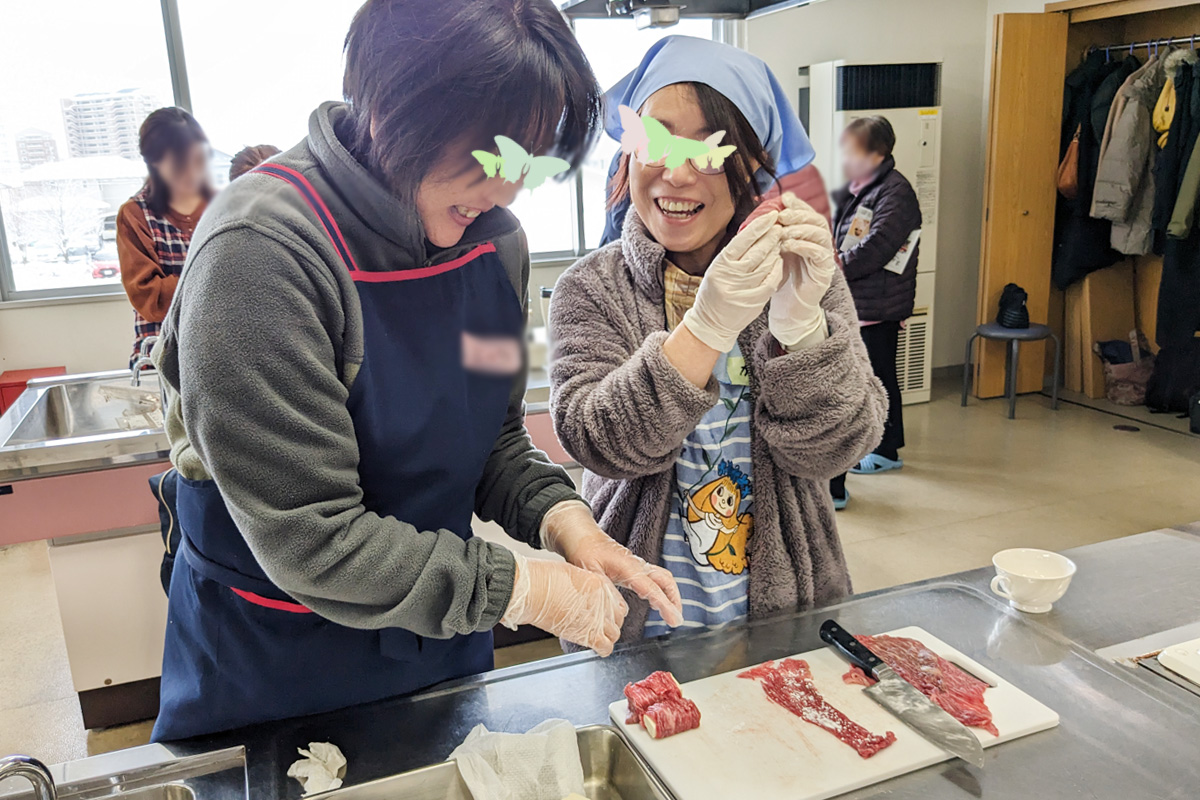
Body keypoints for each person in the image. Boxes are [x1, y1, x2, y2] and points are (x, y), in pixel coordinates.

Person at [150, 0, 681, 742]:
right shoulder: (260, 254)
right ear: (395, 110)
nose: (510, 187)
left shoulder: (495, 245)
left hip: (441, 630)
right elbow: (314, 538)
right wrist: (521, 586)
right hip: (278, 655)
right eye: (493, 151)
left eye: (529, 157)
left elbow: (491, 437)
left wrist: (565, 524)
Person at [549, 37, 886, 641]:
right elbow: (598, 442)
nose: (676, 172)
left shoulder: (803, 272)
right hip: (636, 612)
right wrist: (704, 329)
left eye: (709, 147)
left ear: (753, 165)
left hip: (787, 608)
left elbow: (838, 450)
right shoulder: (592, 288)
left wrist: (800, 328)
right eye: (655, 139)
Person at [828, 116, 921, 510]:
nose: (846, 158)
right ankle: (887, 447)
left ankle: (884, 449)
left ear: (877, 152)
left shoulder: (895, 191)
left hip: (877, 302)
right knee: (878, 373)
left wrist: (837, 266)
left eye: (854, 150)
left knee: (876, 376)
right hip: (860, 300)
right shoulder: (859, 188)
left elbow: (880, 245)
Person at [117, 107, 212, 367]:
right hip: (161, 352)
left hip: (215, 348)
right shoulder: (136, 214)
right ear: (154, 161)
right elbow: (149, 296)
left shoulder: (218, 205)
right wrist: (212, 284)